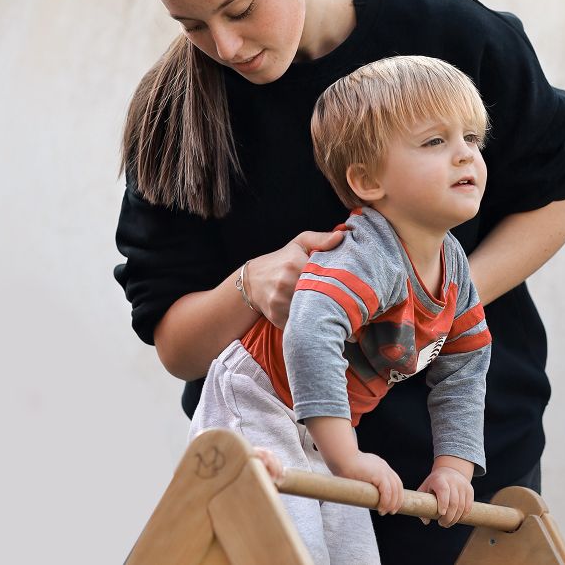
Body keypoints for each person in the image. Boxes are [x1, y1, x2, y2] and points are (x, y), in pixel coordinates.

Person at [115, 0, 565, 563]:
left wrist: (425, 313)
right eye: (192, 26)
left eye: (241, 8)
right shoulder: (176, 118)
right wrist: (249, 287)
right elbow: (176, 346)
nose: (227, 45)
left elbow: (559, 200)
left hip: (457, 466)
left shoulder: (452, 35)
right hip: (283, 480)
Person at [190, 56, 494, 564]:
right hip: (261, 398)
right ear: (369, 182)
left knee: (354, 555)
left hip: (325, 424)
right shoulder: (366, 251)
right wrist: (347, 457)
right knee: (292, 548)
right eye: (435, 142)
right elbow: (310, 333)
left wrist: (453, 468)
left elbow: (465, 367)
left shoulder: (453, 267)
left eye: (471, 138)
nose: (465, 155)